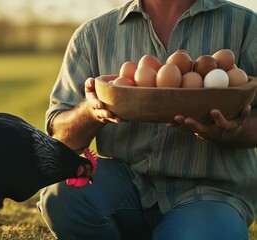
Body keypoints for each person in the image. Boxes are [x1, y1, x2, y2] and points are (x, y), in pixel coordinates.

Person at [37, 0, 257, 239]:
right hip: (123, 185)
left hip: (211, 194)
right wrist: (91, 111)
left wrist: (234, 132)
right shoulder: (94, 34)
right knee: (63, 194)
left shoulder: (245, 26)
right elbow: (61, 139)